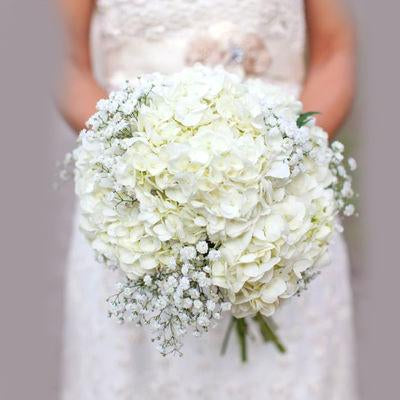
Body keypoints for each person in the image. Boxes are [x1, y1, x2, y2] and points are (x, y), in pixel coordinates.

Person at [58, 1, 358, 399]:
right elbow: (64, 63)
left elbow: (335, 54)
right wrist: (139, 163)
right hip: (138, 212)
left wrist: (279, 158)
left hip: (281, 209)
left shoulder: (283, 177)